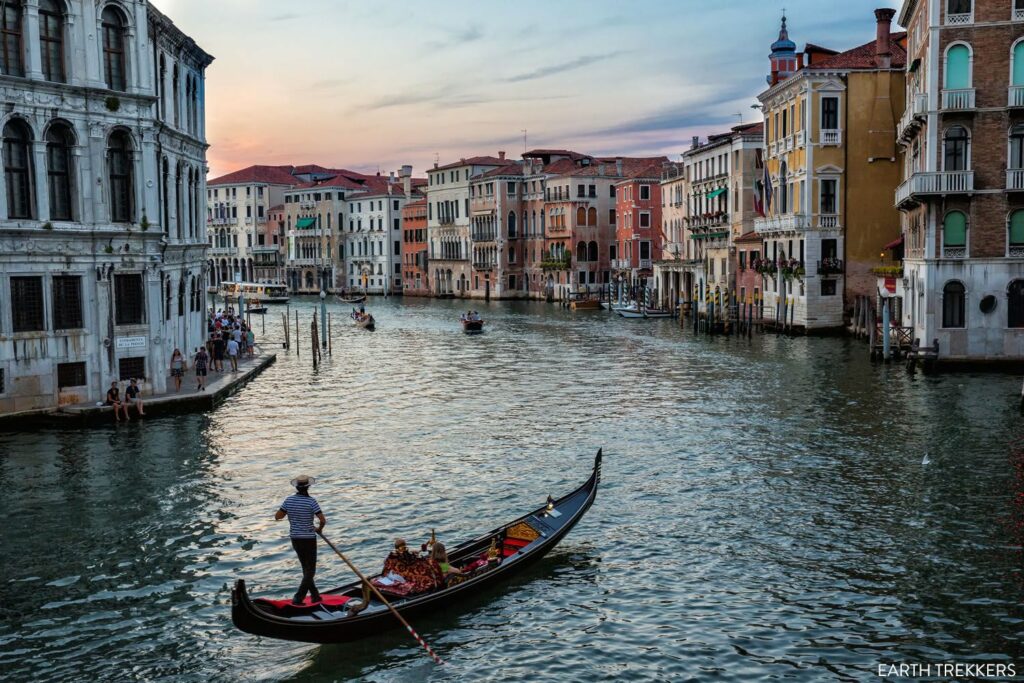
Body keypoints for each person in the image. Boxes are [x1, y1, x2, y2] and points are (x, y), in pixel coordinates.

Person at [275, 475, 327, 605]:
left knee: (306, 569)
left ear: (297, 487)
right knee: (311, 570)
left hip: (295, 538)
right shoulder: (311, 502)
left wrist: (292, 513)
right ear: (308, 487)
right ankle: (298, 598)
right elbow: (322, 520)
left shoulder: (289, 500)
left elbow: (278, 517)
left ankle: (315, 596)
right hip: (309, 538)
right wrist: (319, 529)